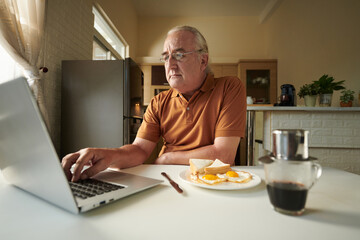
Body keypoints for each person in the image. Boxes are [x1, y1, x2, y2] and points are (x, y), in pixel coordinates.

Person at [62, 25, 246, 182]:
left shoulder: (229, 87)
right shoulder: (159, 101)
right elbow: (140, 149)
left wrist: (167, 158)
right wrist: (108, 155)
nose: (170, 64)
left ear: (203, 60)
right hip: (168, 178)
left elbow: (223, 154)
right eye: (166, 57)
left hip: (213, 180)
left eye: (179, 55)